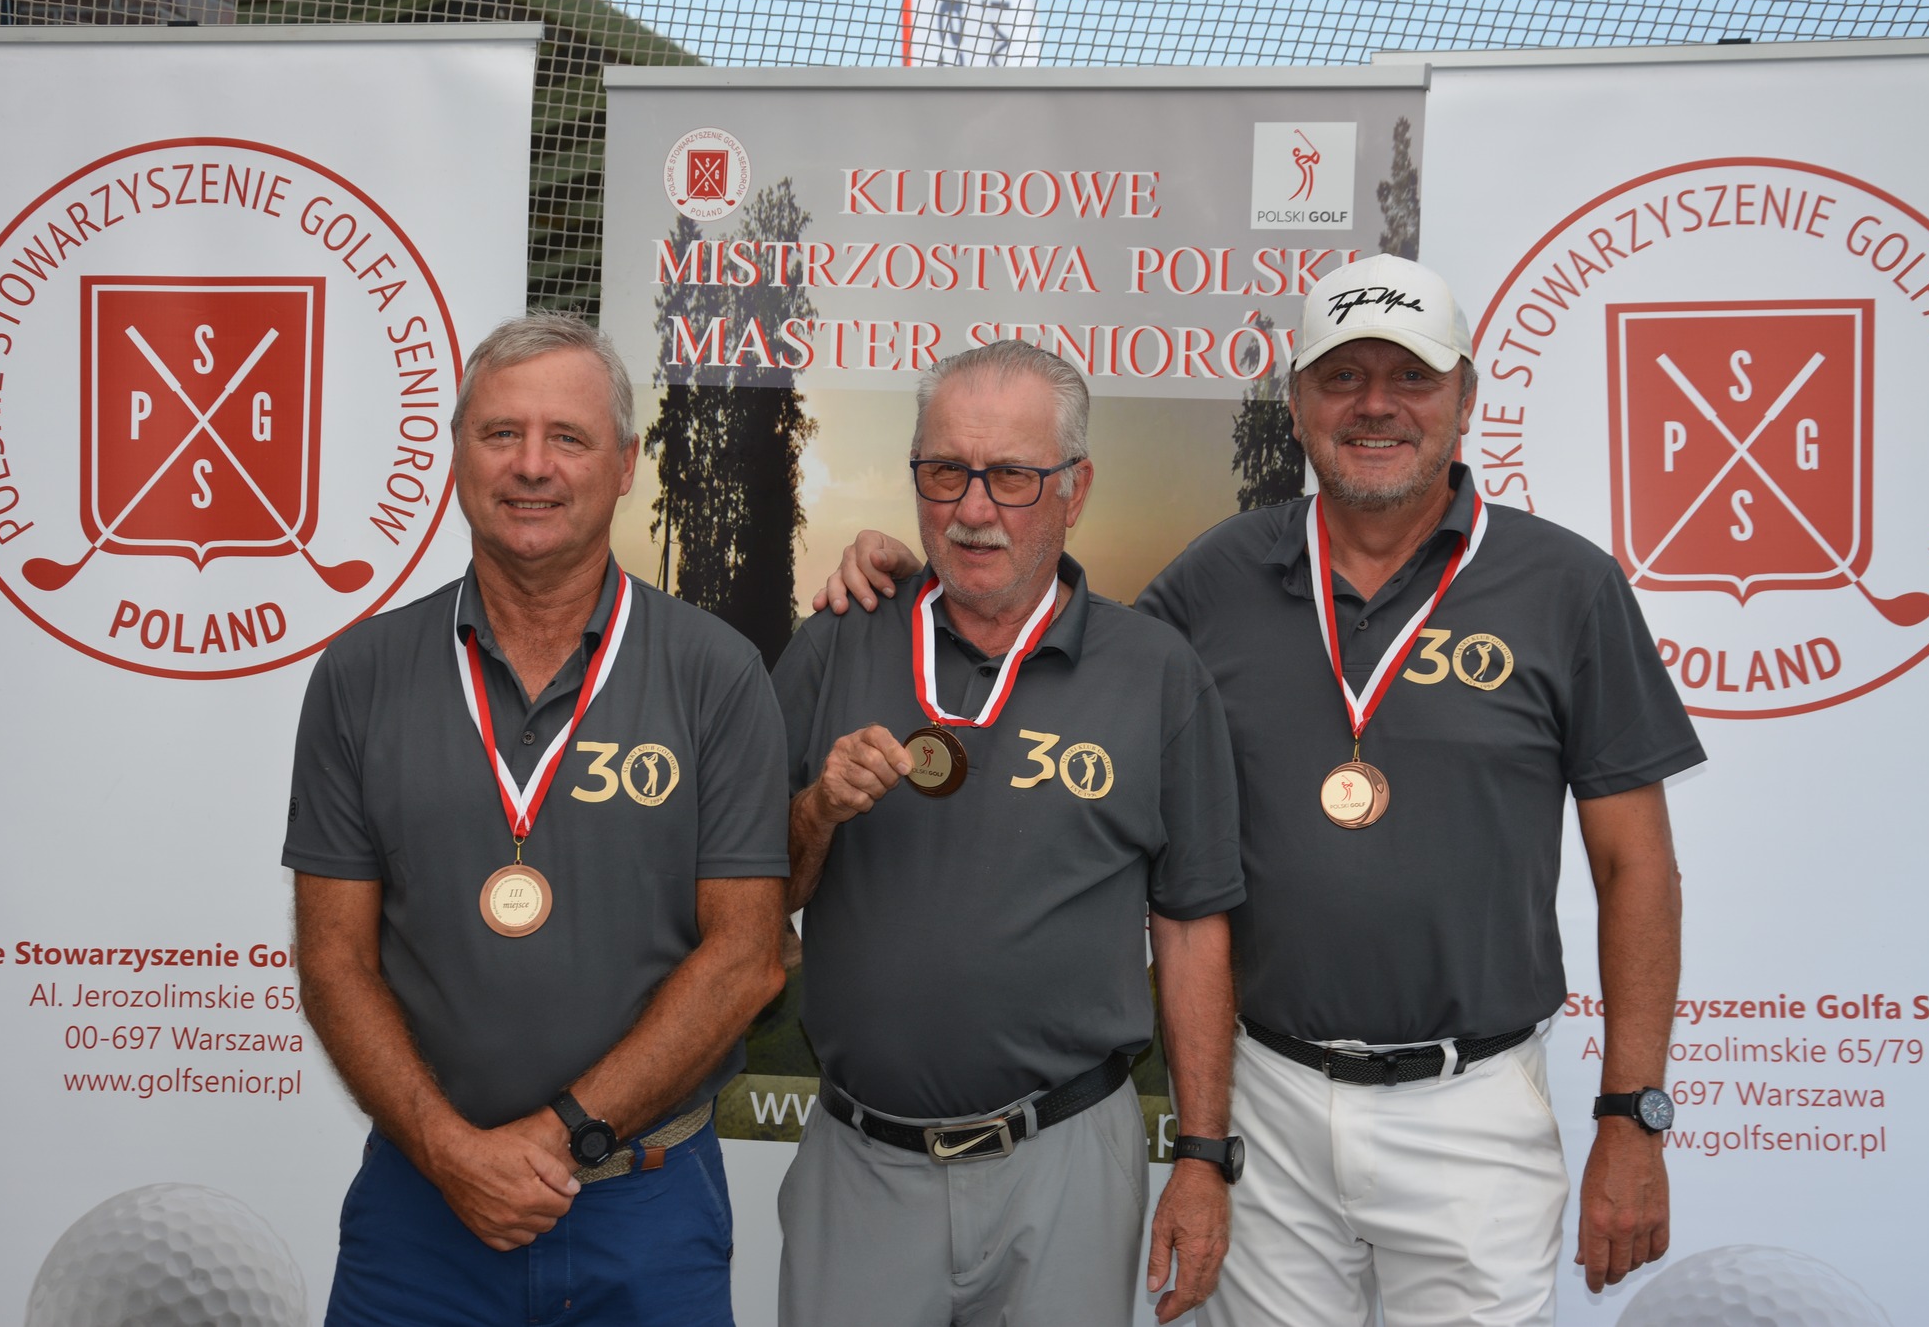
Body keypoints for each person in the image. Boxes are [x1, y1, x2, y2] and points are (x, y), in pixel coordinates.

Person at [814, 256, 1701, 1325]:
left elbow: (1635, 865)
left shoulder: (1567, 585)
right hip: (1266, 1099)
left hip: (1472, 1104)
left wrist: (1631, 1112)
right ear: (1295, 403)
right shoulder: (1216, 575)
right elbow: (1051, 656)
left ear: (1465, 398)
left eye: (1410, 378)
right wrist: (909, 576)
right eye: (1341, 377)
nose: (1374, 405)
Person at [285, 313, 790, 1327]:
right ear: (456, 457)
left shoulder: (716, 673)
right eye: (500, 433)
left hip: (644, 1210)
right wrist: (452, 1154)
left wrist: (553, 1143)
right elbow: (334, 960)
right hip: (422, 1206)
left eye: (567, 437)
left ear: (625, 466)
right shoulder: (361, 673)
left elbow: (745, 958)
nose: (531, 465)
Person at [773, 340, 1246, 1327]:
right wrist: (817, 808)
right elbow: (755, 898)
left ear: (1076, 489)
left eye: (1013, 476)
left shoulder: (1155, 673)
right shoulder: (834, 642)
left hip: (1067, 1160)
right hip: (862, 1162)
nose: (973, 508)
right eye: (945, 471)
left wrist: (1202, 1156)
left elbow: (1192, 924)